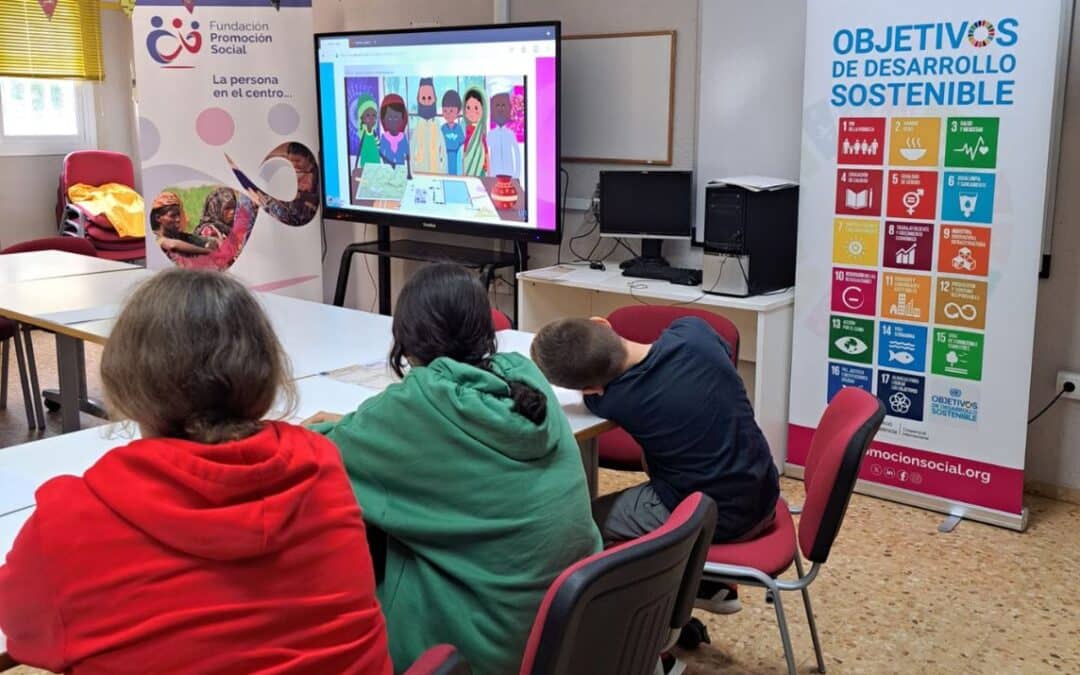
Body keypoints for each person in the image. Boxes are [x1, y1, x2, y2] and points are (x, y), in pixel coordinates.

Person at [0, 269, 393, 675]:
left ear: (126, 378)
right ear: (263, 367)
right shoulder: (320, 464)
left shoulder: (72, 519)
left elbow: (24, 633)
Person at [307, 264, 601, 673]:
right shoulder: (525, 378)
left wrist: (336, 427)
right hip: (570, 632)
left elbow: (314, 456)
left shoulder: (415, 406)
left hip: (480, 654)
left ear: (406, 340)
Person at [530, 315, 780, 614]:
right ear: (604, 323)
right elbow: (717, 352)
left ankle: (648, 627)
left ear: (591, 389)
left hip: (719, 519)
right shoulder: (693, 333)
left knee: (583, 527)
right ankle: (709, 585)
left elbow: (599, 399)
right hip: (764, 494)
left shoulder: (614, 400)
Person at [150, 191, 217, 257]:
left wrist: (208, 244)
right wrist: (207, 252)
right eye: (173, 216)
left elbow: (211, 241)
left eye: (178, 214)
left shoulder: (182, 236)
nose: (178, 219)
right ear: (158, 218)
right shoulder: (154, 237)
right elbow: (173, 245)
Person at [410, 77, 447, 174]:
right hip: (419, 172)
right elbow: (412, 150)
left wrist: (443, 171)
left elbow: (442, 152)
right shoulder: (417, 127)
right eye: (423, 98)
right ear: (418, 99)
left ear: (434, 99)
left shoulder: (437, 125)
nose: (426, 101)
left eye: (429, 98)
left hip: (437, 172)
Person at [488, 92, 521, 179]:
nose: (500, 109)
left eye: (503, 105)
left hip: (509, 176)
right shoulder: (490, 135)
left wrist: (517, 175)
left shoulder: (510, 134)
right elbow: (486, 155)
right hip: (494, 176)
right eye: (497, 106)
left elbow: (517, 154)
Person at [461, 87, 489, 177]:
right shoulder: (467, 130)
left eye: (476, 108)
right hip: (468, 166)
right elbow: (465, 150)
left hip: (480, 167)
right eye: (468, 107)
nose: (471, 112)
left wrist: (487, 166)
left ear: (483, 110)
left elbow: (486, 150)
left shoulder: (481, 132)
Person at [378, 93, 410, 170]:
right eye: (389, 118)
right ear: (383, 119)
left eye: (396, 117)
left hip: (401, 172)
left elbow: (407, 156)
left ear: (403, 119)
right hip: (387, 172)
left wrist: (409, 172)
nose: (393, 121)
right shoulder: (384, 138)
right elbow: (381, 154)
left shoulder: (403, 138)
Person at [353, 93, 382, 170]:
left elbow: (378, 145)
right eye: (368, 115)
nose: (371, 118)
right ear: (362, 118)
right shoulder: (362, 132)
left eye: (374, 115)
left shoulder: (374, 132)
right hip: (366, 162)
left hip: (376, 161)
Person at [440, 89, 465, 175]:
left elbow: (462, 145)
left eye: (451, 111)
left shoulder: (459, 129)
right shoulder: (442, 129)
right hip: (445, 158)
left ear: (457, 112)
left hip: (456, 158)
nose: (448, 114)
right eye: (445, 111)